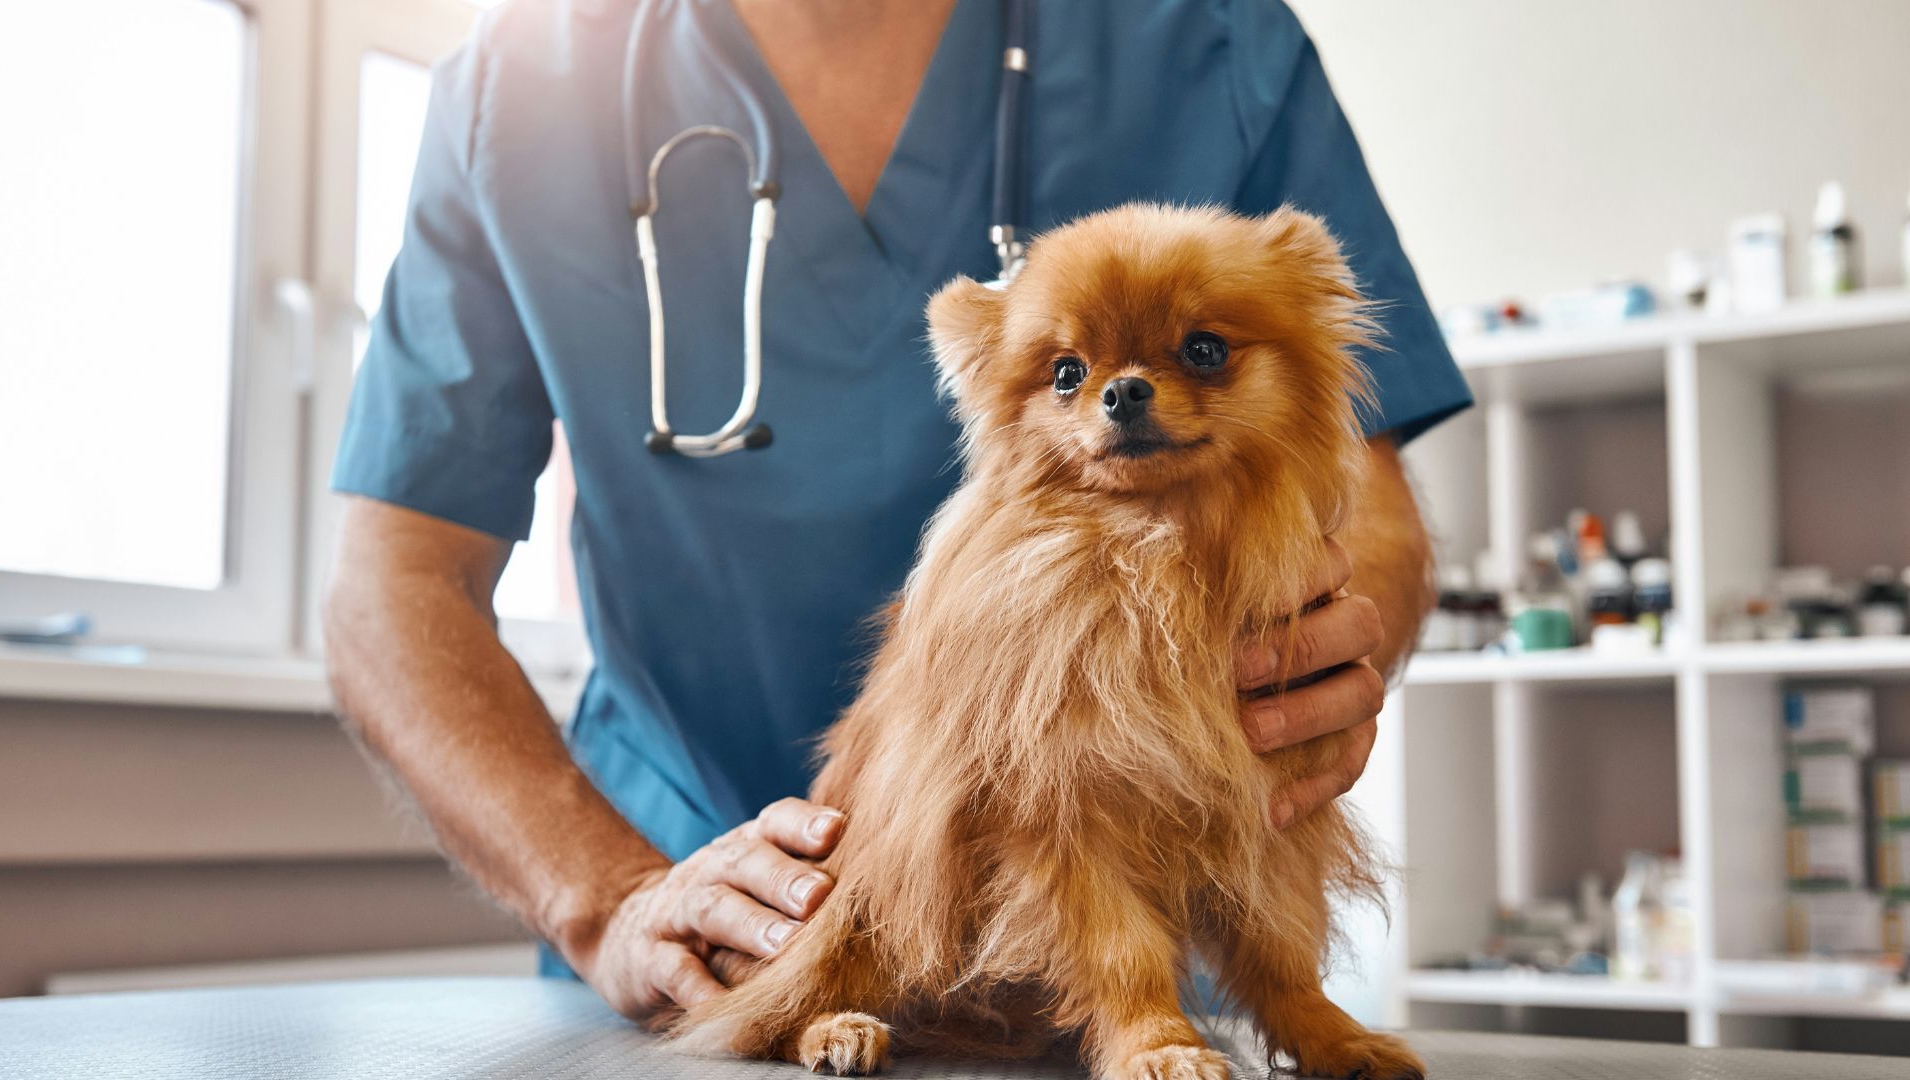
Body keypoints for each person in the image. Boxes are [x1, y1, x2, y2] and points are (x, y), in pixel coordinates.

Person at [323, 0, 1471, 1022]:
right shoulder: (519, 77)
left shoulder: (1205, 37)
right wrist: (609, 897)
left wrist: (1307, 654)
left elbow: (1360, 490)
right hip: (699, 911)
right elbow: (392, 586)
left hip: (1143, 928)